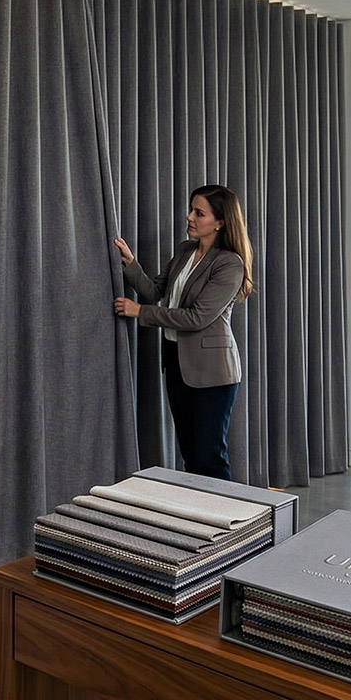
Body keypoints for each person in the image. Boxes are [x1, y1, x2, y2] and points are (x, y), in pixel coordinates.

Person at [112, 184, 255, 482]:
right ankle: (198, 510)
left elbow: (196, 317)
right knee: (190, 454)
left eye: (199, 213)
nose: (189, 217)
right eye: (191, 210)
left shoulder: (230, 263)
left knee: (209, 456)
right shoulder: (185, 250)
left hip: (213, 375)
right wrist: (130, 263)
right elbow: (154, 292)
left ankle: (224, 510)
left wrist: (139, 312)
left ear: (220, 222)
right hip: (178, 365)